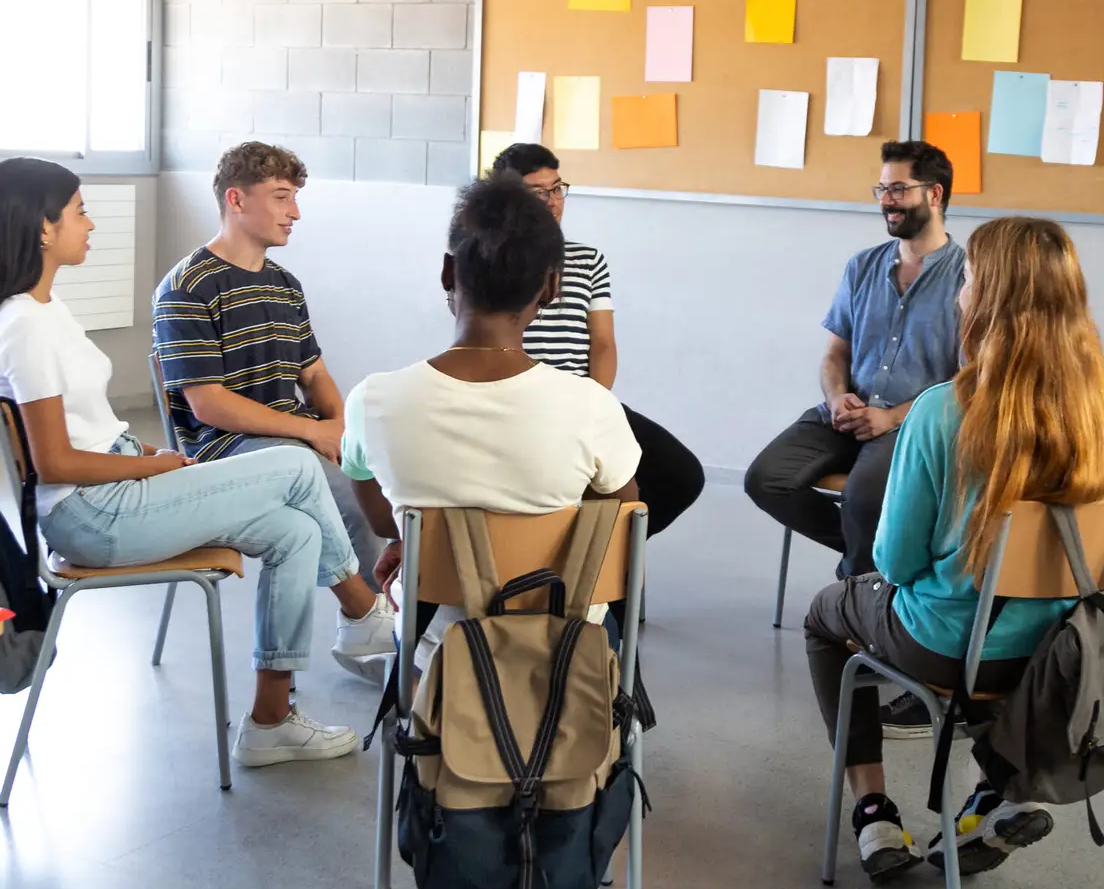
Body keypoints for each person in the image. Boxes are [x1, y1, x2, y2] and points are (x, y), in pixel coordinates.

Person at [0, 157, 387, 767]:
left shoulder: (48, 311)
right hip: (93, 516)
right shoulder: (23, 324)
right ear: (41, 229)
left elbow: (91, 432)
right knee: (297, 467)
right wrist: (150, 467)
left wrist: (146, 454)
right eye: (78, 211)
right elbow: (53, 463)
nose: (90, 223)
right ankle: (363, 609)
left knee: (295, 531)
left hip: (117, 488)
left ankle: (270, 721)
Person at [804, 216, 1104, 881]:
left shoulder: (941, 409)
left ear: (990, 301)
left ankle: (873, 808)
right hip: (1060, 653)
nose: (958, 293)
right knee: (986, 646)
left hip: (945, 647)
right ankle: (991, 797)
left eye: (970, 280)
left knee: (825, 615)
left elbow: (894, 564)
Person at [339, 176, 640, 653]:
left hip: (437, 637)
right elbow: (623, 516)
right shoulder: (590, 404)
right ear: (551, 287)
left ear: (447, 273)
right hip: (562, 638)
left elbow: (382, 523)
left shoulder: (372, 401)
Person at [746, 138, 966, 736]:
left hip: (912, 423)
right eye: (882, 189)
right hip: (845, 411)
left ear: (934, 194)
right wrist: (836, 396)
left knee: (868, 498)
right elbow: (834, 352)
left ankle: (865, 605)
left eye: (898, 189)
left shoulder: (968, 276)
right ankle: (867, 566)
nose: (887, 201)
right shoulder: (862, 265)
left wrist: (891, 418)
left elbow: (965, 383)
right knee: (766, 479)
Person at [152, 139, 394, 680]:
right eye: (283, 197)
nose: (296, 212)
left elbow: (315, 374)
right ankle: (373, 630)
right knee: (328, 483)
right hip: (223, 450)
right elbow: (208, 404)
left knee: (376, 476)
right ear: (236, 200)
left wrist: (340, 427)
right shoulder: (187, 287)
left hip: (288, 440)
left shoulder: (286, 285)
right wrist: (313, 436)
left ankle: (378, 627)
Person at [486, 143, 703, 540]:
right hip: (520, 402)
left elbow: (603, 342)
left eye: (558, 188)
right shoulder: (487, 259)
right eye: (538, 192)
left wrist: (596, 403)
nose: (552, 201)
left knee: (681, 474)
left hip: (583, 397)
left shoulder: (587, 259)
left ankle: (606, 559)